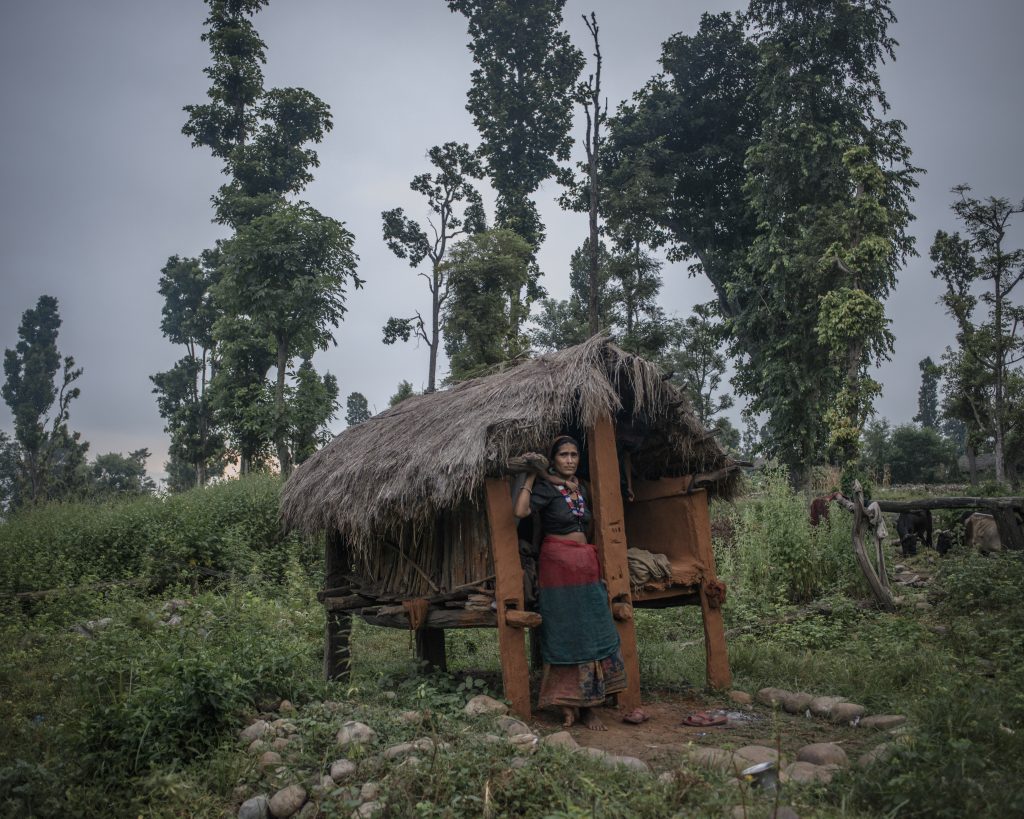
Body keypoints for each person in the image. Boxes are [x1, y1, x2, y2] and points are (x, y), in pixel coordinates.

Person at [513, 435, 626, 730]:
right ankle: (567, 704)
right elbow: (521, 512)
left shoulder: (581, 488)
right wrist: (531, 476)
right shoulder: (545, 489)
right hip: (557, 568)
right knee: (564, 630)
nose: (570, 460)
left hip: (585, 566)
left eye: (574, 455)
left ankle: (590, 706)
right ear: (554, 459)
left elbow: (589, 524)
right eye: (563, 455)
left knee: (593, 627)